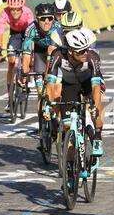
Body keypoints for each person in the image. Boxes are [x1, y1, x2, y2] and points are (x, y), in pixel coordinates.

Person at [45, 29, 105, 157]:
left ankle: (98, 136)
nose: (85, 53)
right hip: (70, 85)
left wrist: (95, 105)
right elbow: (50, 82)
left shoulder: (92, 57)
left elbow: (95, 86)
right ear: (70, 51)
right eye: (81, 51)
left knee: (96, 106)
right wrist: (48, 105)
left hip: (89, 83)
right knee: (67, 125)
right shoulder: (57, 55)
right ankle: (72, 164)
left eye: (87, 49)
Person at [0, 0, 34, 112]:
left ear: (22, 8)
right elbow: (0, 32)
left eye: (17, 10)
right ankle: (10, 98)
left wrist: (30, 51)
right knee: (11, 61)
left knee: (27, 57)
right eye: (12, 10)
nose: (15, 13)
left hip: (27, 33)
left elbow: (32, 35)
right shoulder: (4, 13)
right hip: (15, 34)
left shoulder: (28, 13)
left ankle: (24, 81)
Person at [21, 3, 63, 100]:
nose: (47, 22)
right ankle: (42, 112)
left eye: (50, 18)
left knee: (56, 91)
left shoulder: (58, 28)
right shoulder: (31, 29)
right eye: (43, 19)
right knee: (41, 92)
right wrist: (24, 73)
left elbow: (58, 52)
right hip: (39, 53)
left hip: (55, 54)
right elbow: (26, 54)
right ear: (37, 19)